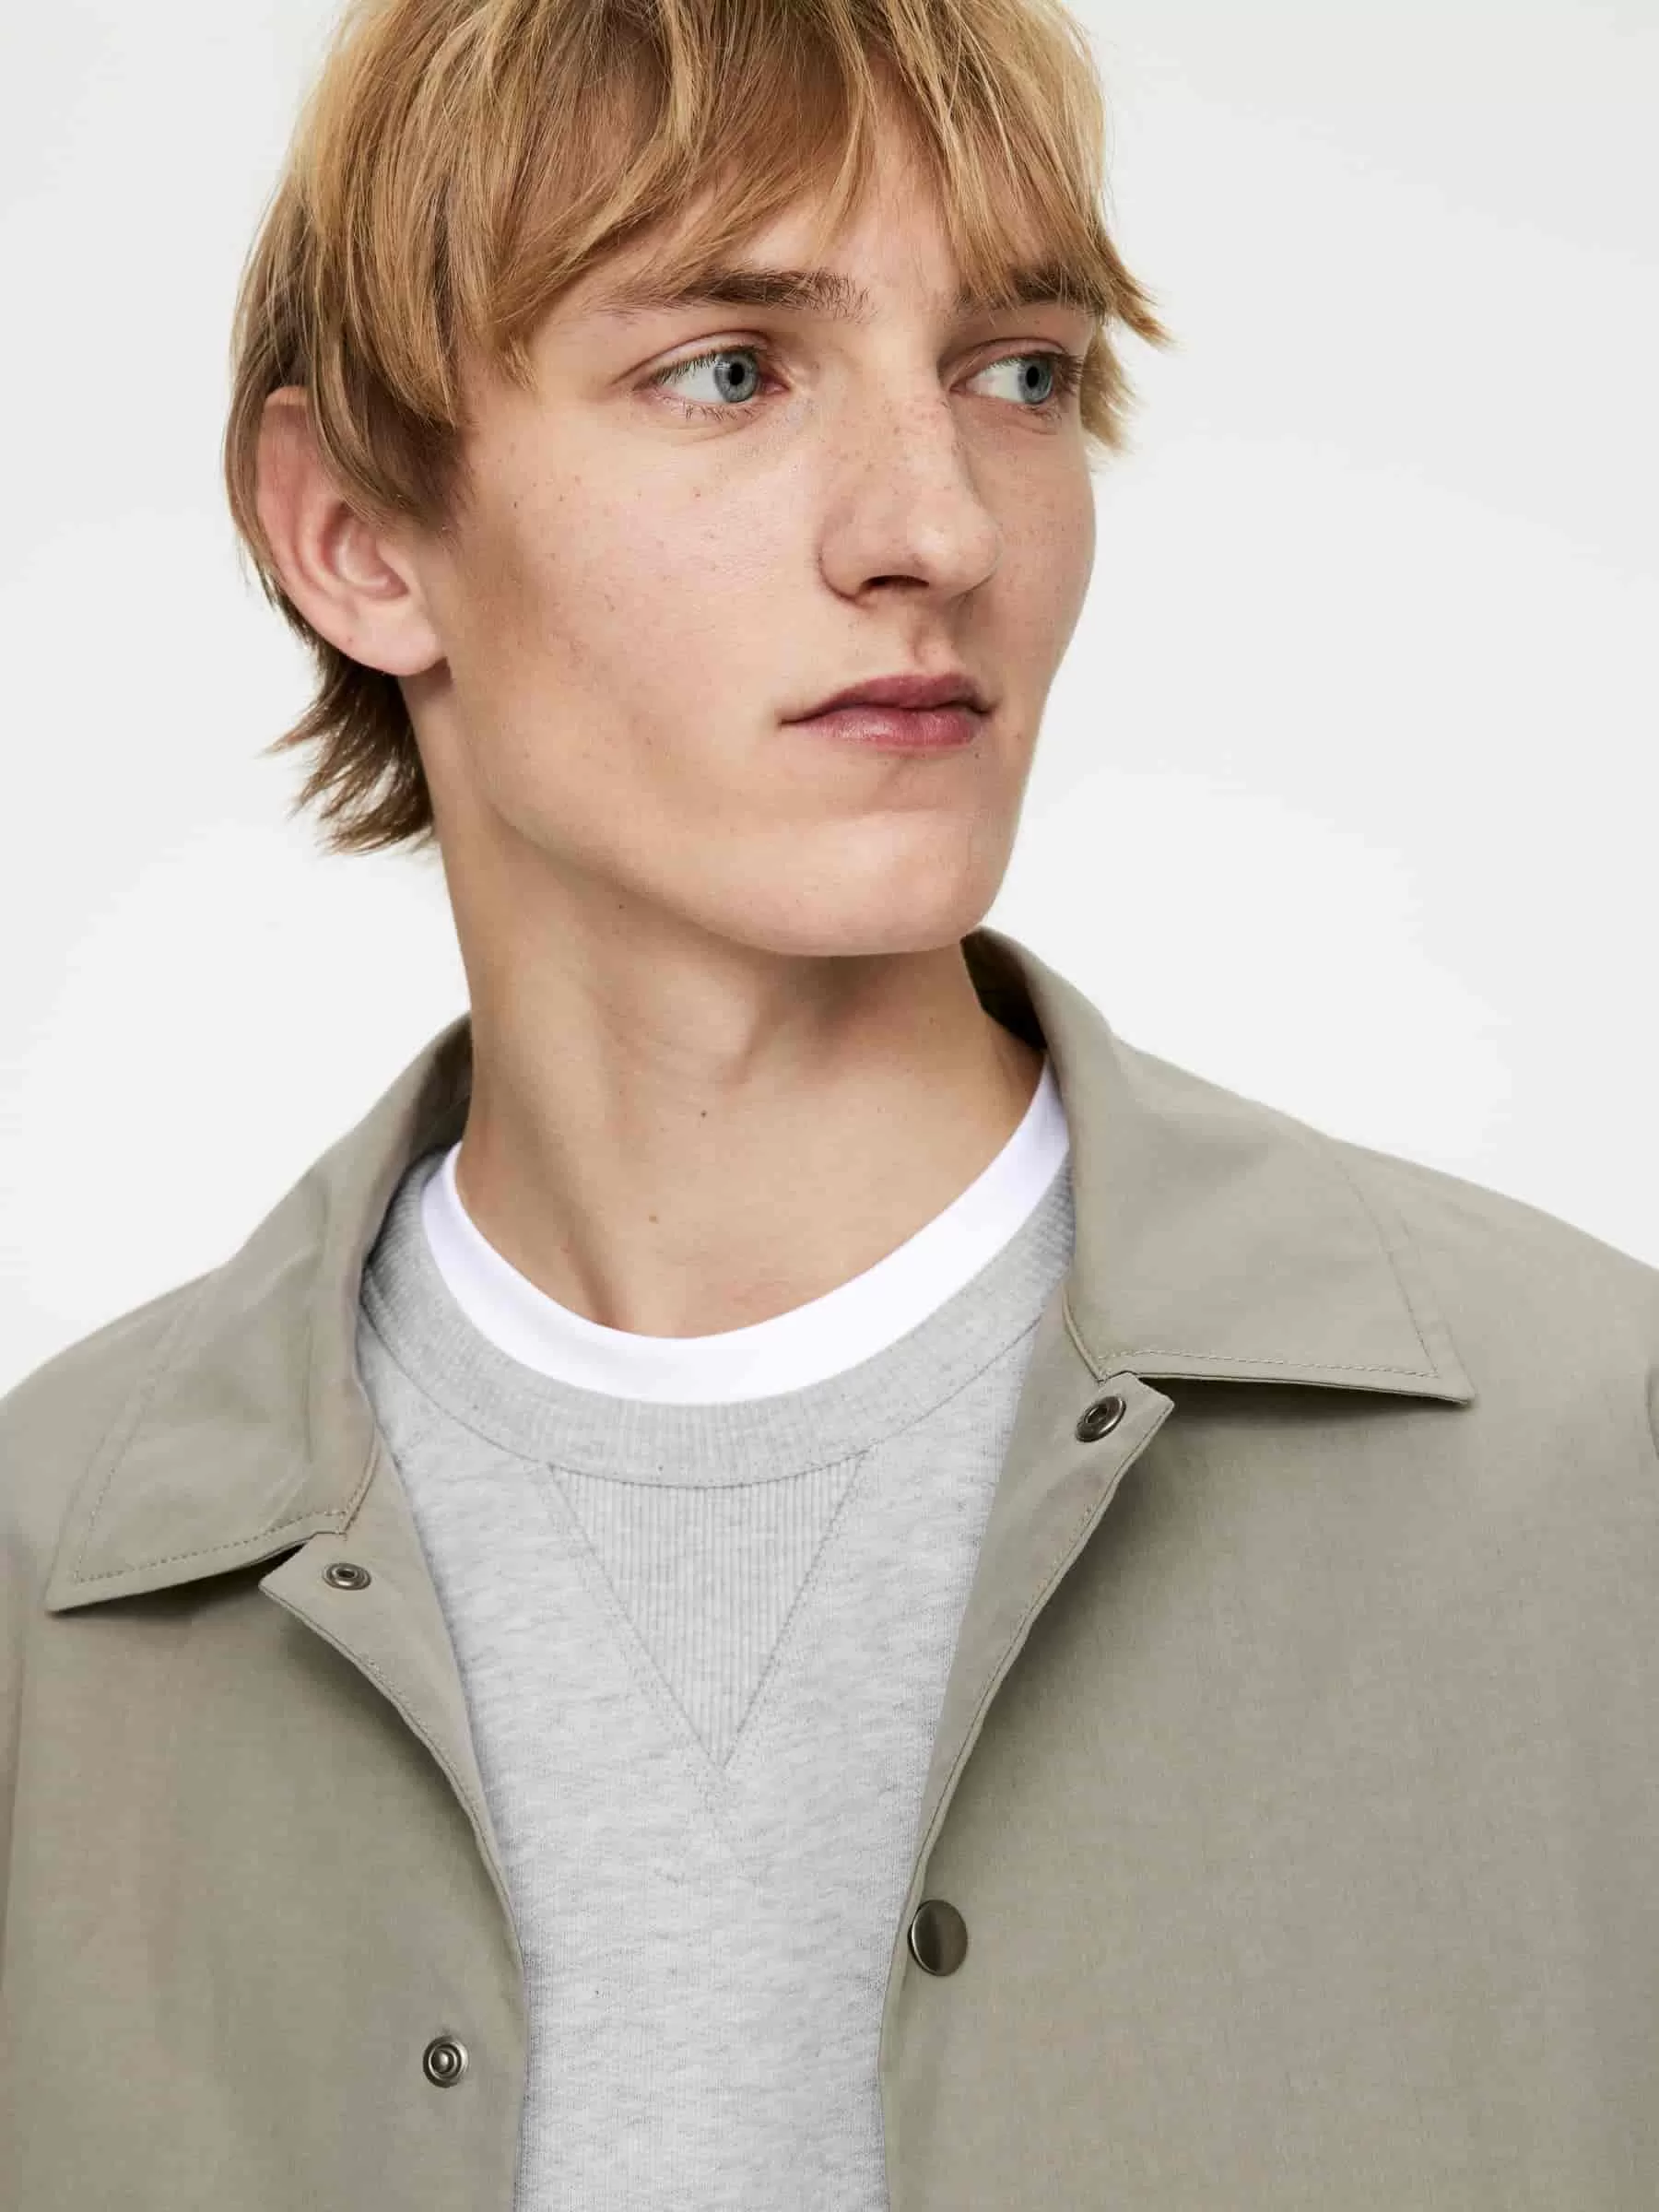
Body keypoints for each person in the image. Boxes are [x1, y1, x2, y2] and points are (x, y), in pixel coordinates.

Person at [3, 0, 1656, 2205]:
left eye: (1018, 373)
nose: (937, 527)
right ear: (357, 537)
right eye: (730, 372)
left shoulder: (1597, 1477)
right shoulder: (46, 1602)